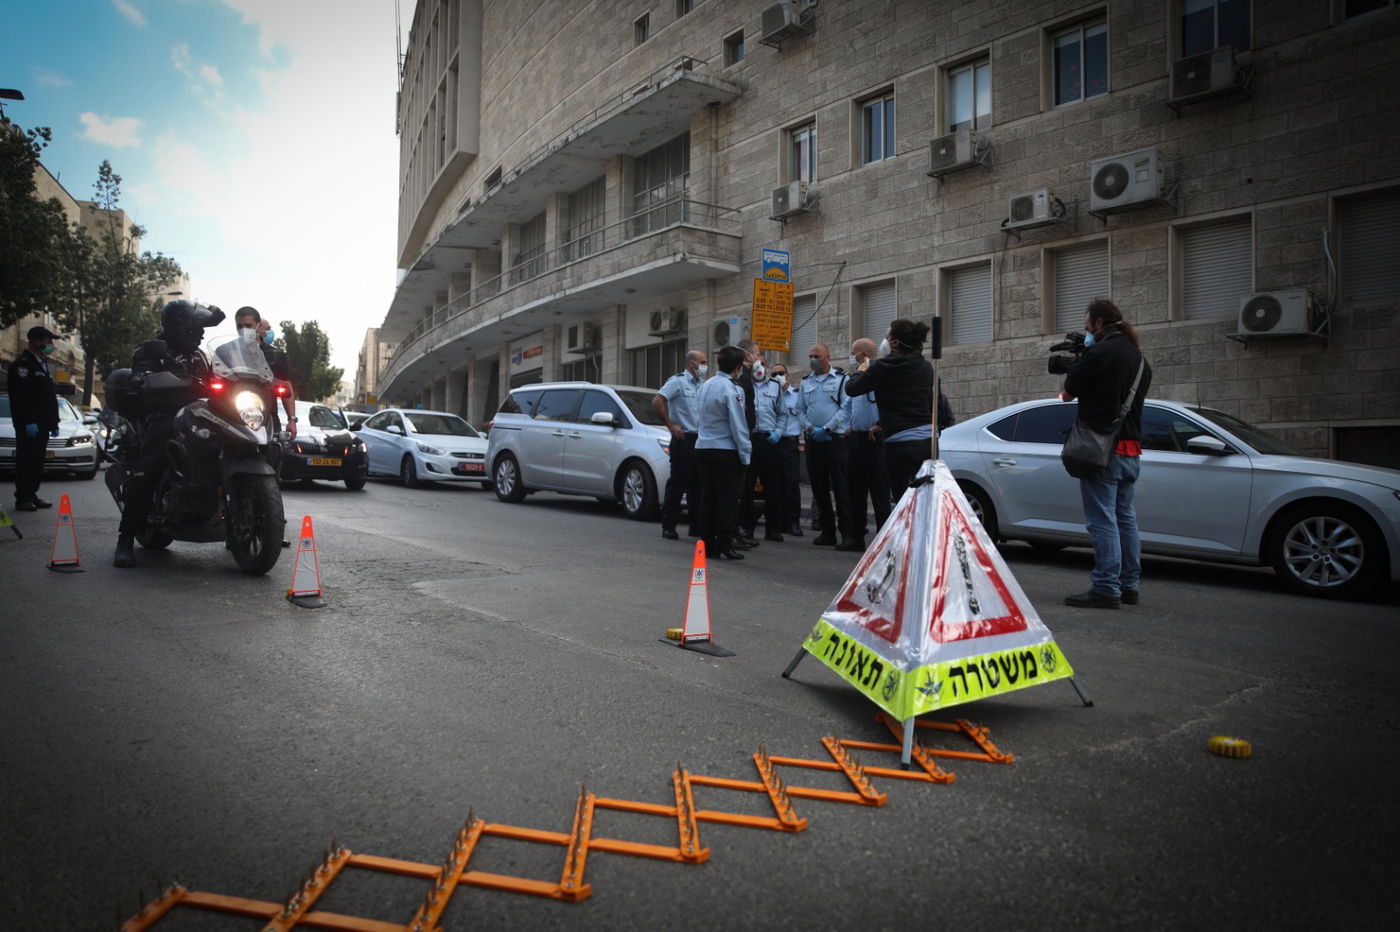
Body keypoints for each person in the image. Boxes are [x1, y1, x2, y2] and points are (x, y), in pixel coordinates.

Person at [113, 301, 224, 567]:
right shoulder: (153, 349)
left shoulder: (199, 355)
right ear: (178, 325)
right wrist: (143, 377)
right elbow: (140, 373)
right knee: (149, 468)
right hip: (164, 416)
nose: (200, 332)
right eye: (195, 327)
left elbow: (216, 381)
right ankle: (125, 539)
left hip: (200, 416)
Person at [1059, 298, 1152, 609]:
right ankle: (1130, 585)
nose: (1086, 330)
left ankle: (1106, 587)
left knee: (1102, 520)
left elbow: (1067, 392)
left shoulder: (1098, 352)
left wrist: (1079, 361)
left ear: (1099, 323)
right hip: (1131, 449)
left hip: (1102, 450)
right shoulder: (1139, 359)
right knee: (1125, 517)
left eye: (1087, 324)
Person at [846, 319, 955, 496]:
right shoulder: (926, 367)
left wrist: (862, 368)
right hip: (928, 443)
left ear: (895, 343)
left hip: (899, 445)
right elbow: (926, 402)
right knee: (927, 497)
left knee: (903, 502)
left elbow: (851, 388)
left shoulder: (882, 368)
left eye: (887, 336)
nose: (884, 340)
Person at [694, 345, 752, 560]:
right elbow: (738, 425)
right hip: (725, 450)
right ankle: (725, 543)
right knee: (727, 499)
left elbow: (697, 416)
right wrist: (745, 454)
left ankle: (707, 542)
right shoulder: (733, 390)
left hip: (703, 447)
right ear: (738, 367)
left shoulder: (706, 385)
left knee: (708, 497)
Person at [798, 343, 853, 547]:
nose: (813, 359)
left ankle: (847, 533)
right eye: (811, 355)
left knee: (841, 488)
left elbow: (845, 407)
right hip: (814, 440)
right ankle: (827, 531)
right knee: (819, 488)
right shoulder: (806, 383)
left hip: (835, 441)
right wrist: (811, 429)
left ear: (827, 357)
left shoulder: (841, 379)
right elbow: (800, 410)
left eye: (817, 356)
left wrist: (828, 428)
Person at [838, 338, 890, 552]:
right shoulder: (856, 377)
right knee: (855, 490)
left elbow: (889, 405)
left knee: (879, 491)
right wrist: (849, 425)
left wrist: (879, 425)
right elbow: (850, 403)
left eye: (853, 353)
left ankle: (884, 538)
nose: (851, 357)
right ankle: (856, 536)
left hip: (875, 439)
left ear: (863, 355)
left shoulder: (880, 375)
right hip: (857, 438)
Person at [653, 350, 707, 540]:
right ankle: (669, 525)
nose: (705, 366)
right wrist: (670, 425)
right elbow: (658, 401)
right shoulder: (677, 382)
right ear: (692, 364)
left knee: (697, 486)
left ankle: (696, 525)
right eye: (703, 362)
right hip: (683, 439)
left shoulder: (703, 385)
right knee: (678, 483)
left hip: (700, 440)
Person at [7, 326, 61, 512]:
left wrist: (54, 423)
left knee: (37, 461)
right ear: (37, 341)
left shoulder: (41, 364)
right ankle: (22, 498)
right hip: (30, 424)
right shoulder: (23, 365)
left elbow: (47, 398)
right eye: (48, 341)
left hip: (43, 424)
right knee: (26, 461)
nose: (51, 345)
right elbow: (22, 397)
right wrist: (29, 421)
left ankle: (32, 494)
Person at [233, 307, 296, 441]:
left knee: (274, 453)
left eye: (248, 325)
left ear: (257, 326)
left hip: (268, 415)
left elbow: (287, 389)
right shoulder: (227, 352)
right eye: (240, 326)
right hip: (233, 415)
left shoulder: (276, 355)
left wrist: (292, 419)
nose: (244, 329)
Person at [745, 354, 788, 542]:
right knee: (747, 485)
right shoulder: (744, 386)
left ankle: (773, 529)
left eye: (762, 364)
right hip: (750, 440)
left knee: (773, 485)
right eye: (756, 364)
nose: (759, 368)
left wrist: (778, 432)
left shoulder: (775, 386)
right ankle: (746, 527)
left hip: (769, 441)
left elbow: (783, 414)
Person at [734, 339, 761, 547]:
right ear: (748, 356)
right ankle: (733, 533)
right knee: (738, 490)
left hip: (747, 438)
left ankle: (739, 531)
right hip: (739, 440)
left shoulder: (746, 378)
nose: (759, 358)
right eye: (757, 354)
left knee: (744, 489)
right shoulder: (740, 380)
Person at [773, 365, 804, 537]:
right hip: (773, 443)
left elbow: (803, 415)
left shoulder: (797, 395)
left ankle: (793, 522)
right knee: (775, 484)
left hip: (790, 443)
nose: (778, 376)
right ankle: (778, 522)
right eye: (774, 374)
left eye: (781, 373)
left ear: (787, 375)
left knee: (792, 483)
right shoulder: (769, 395)